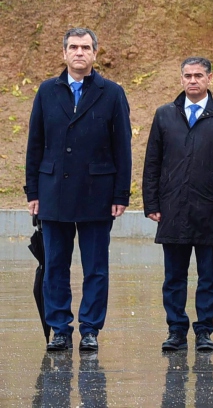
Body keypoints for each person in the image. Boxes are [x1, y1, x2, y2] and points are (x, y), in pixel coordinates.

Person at [25, 28, 133, 352]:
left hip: (96, 193)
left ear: (95, 53)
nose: (79, 52)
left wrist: (121, 194)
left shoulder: (111, 93)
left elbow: (122, 147)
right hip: (53, 191)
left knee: (95, 268)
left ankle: (90, 329)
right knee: (55, 266)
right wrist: (33, 192)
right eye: (73, 47)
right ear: (64, 53)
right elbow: (35, 144)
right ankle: (60, 329)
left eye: (86, 47)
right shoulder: (46, 91)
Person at [143, 56, 213, 352]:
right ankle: (176, 330)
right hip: (172, 209)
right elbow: (152, 163)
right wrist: (152, 203)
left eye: (198, 75)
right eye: (187, 76)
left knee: (209, 277)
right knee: (174, 276)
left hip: (211, 211)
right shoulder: (164, 115)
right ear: (181, 79)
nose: (193, 81)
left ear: (210, 79)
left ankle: (204, 331)